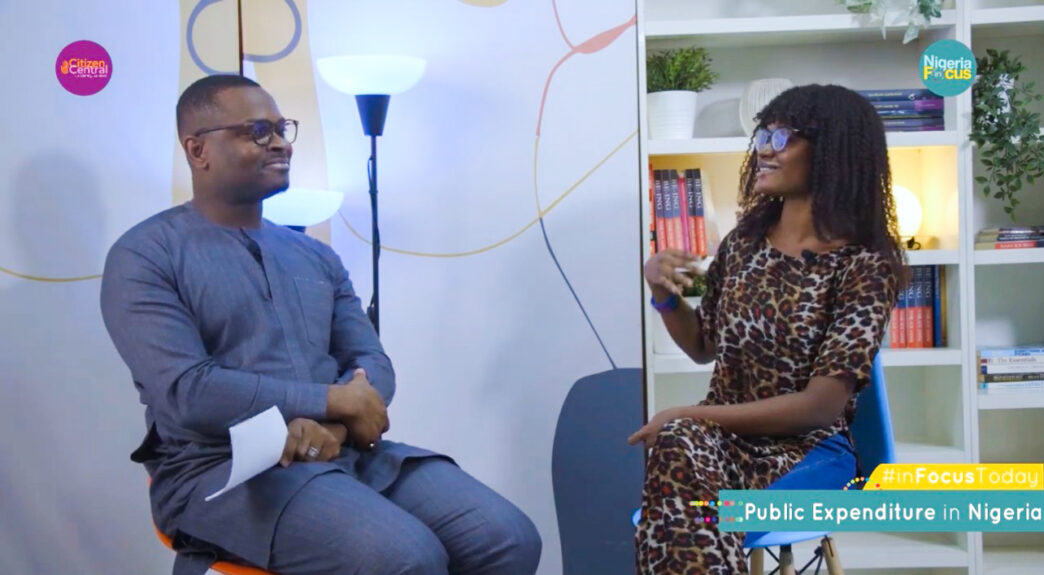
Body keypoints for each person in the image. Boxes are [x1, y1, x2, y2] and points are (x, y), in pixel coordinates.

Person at [100, 75, 541, 575]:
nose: (280, 143)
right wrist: (330, 401)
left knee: (506, 538)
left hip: (342, 449)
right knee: (404, 557)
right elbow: (189, 392)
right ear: (198, 150)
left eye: (282, 128)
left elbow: (371, 362)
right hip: (221, 469)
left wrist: (332, 424)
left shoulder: (314, 256)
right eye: (257, 132)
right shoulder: (145, 256)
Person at [628, 84, 905, 574]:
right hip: (719, 441)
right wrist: (663, 292)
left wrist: (687, 414)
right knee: (681, 453)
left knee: (681, 476)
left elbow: (820, 407)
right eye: (763, 135)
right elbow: (702, 345)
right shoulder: (743, 245)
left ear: (831, 151)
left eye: (782, 138)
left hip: (809, 450)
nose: (764, 150)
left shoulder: (864, 263)